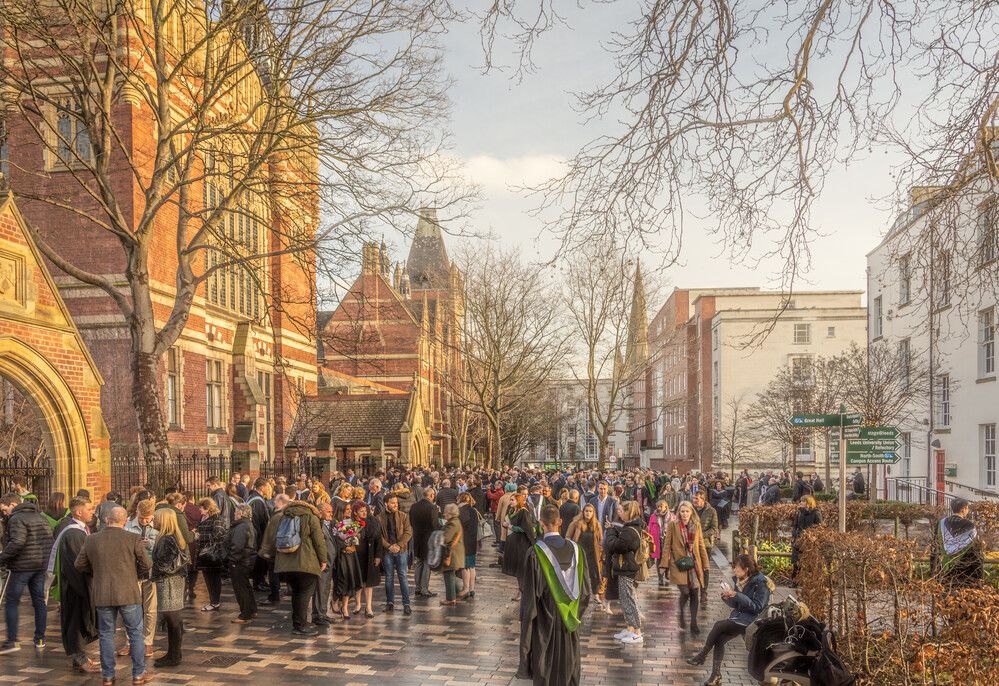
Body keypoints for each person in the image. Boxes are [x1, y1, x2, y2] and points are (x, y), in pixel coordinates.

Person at [74, 506, 153, 686]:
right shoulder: (133, 538)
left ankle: (108, 676)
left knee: (106, 635)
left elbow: (79, 564)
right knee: (135, 634)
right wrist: (134, 573)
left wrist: (97, 571)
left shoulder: (91, 539)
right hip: (128, 592)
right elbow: (147, 564)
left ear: (107, 520)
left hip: (103, 592)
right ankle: (139, 674)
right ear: (125, 521)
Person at [517, 503, 590, 686]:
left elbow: (530, 600)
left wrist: (526, 638)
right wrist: (572, 615)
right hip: (569, 623)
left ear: (541, 523)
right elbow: (586, 592)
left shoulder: (535, 553)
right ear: (560, 522)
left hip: (544, 621)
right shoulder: (577, 551)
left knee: (546, 670)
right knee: (568, 670)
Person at [687, 553, 774, 685]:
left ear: (746, 569)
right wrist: (728, 598)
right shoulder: (741, 580)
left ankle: (703, 655)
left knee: (719, 626)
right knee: (720, 639)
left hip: (753, 620)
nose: (734, 570)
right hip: (740, 617)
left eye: (737, 567)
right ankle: (716, 676)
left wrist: (737, 595)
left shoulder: (761, 583)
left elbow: (758, 607)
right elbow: (737, 604)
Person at [258, 497, 327, 636]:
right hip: (305, 563)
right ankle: (301, 625)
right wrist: (323, 560)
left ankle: (298, 622)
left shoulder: (281, 516)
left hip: (285, 564)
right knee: (305, 593)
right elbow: (319, 541)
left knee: (296, 593)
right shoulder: (310, 517)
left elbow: (271, 538)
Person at [0, 493, 52, 654]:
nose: (4, 513)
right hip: (39, 565)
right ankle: (40, 638)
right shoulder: (40, 516)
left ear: (13, 504)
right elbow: (49, 538)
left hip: (22, 566)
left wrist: (2, 557)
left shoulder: (16, 519)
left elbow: (17, 542)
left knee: (11, 600)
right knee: (39, 601)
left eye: (5, 509)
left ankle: (12, 641)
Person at [51, 497, 99, 672]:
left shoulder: (78, 530)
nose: (92, 511)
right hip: (75, 586)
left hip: (77, 585)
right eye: (89, 508)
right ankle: (79, 657)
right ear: (78, 512)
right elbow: (76, 564)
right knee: (76, 621)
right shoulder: (73, 533)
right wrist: (86, 588)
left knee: (78, 619)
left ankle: (81, 657)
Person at [662, 500, 710, 635]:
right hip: (679, 564)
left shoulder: (696, 525)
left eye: (687, 511)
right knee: (685, 592)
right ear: (679, 513)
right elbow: (667, 545)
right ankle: (681, 613)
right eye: (682, 511)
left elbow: (700, 545)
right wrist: (664, 564)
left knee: (695, 591)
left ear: (691, 512)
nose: (684, 514)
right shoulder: (673, 525)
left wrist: (706, 564)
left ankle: (694, 622)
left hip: (694, 563)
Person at [150, 508, 189, 668]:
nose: (154, 520)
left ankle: (174, 655)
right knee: (174, 619)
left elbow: (164, 565)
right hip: (174, 580)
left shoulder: (166, 539)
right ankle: (174, 653)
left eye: (156, 518)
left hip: (169, 582)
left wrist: (152, 568)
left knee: (172, 619)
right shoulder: (174, 536)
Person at [604, 501, 646, 644]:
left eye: (621, 510)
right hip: (624, 567)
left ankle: (637, 632)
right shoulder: (629, 527)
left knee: (629, 599)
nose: (619, 513)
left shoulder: (630, 530)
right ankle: (630, 629)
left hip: (627, 568)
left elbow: (618, 546)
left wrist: (609, 532)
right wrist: (614, 529)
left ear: (629, 512)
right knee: (625, 599)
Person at [122, 498, 158, 659]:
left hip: (151, 572)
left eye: (148, 518)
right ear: (137, 513)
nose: (145, 521)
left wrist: (150, 544)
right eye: (142, 518)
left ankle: (147, 641)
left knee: (150, 609)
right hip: (133, 572)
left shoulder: (158, 525)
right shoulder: (128, 526)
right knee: (131, 608)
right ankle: (130, 641)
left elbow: (161, 546)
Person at [378, 493, 413, 615]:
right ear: (386, 503)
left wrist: (398, 545)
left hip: (401, 550)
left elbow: (408, 532)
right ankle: (390, 602)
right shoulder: (379, 517)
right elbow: (379, 536)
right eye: (393, 503)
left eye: (396, 503)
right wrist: (389, 546)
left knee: (403, 576)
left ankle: (406, 604)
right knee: (389, 577)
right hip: (387, 551)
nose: (395, 505)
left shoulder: (403, 516)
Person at [502, 489, 539, 599]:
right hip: (514, 543)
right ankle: (521, 590)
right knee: (518, 570)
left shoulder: (523, 512)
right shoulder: (512, 511)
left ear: (518, 501)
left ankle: (524, 592)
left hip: (522, 544)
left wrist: (510, 526)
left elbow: (525, 529)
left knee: (522, 570)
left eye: (512, 500)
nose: (510, 502)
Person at [566, 502, 604, 608]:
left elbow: (600, 539)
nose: (588, 513)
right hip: (580, 553)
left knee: (595, 574)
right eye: (586, 511)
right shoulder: (576, 523)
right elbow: (568, 537)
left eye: (590, 511)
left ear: (593, 513)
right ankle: (578, 595)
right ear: (583, 512)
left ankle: (595, 594)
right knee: (579, 574)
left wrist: (602, 551)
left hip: (593, 554)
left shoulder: (596, 524)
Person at [225, 503, 258, 624]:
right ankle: (251, 609)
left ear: (240, 513)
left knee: (240, 588)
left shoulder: (242, 526)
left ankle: (245, 614)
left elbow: (237, 546)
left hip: (240, 561)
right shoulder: (247, 524)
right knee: (245, 586)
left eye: (235, 512)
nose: (234, 514)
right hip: (245, 560)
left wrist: (232, 559)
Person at [939, 497, 984, 586]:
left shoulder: (941, 523)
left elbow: (935, 545)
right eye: (967, 508)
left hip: (946, 568)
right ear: (963, 509)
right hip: (966, 569)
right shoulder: (969, 525)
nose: (968, 510)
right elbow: (976, 549)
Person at [331, 505, 364, 620]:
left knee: (350, 579)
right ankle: (334, 599)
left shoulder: (351, 522)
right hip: (341, 555)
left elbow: (356, 536)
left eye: (350, 509)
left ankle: (345, 607)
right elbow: (335, 538)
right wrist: (343, 547)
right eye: (347, 509)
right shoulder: (335, 523)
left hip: (351, 555)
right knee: (342, 579)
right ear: (341, 510)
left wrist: (354, 545)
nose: (350, 511)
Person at [196, 497, 227, 612]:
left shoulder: (217, 519)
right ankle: (213, 601)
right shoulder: (204, 518)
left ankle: (215, 602)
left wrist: (199, 536)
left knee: (213, 579)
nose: (199, 510)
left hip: (212, 555)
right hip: (205, 555)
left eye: (201, 508)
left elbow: (218, 534)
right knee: (209, 579)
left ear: (208, 508)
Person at [352, 501, 381, 617]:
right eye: (361, 511)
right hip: (355, 555)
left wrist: (378, 556)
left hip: (369, 554)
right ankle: (357, 604)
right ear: (355, 512)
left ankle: (368, 607)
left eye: (366, 510)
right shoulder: (351, 522)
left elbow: (378, 539)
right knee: (357, 580)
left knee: (369, 582)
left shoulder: (373, 521)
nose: (365, 513)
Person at [409, 486, 440, 598]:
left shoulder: (414, 506)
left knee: (419, 563)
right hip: (429, 539)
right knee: (427, 563)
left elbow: (411, 522)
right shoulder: (433, 508)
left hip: (417, 537)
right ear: (431, 495)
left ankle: (418, 588)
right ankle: (424, 589)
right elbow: (435, 525)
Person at [312, 502, 337, 625]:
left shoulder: (327, 524)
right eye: (328, 511)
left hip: (329, 562)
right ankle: (317, 615)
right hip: (323, 562)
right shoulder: (318, 523)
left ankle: (323, 613)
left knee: (326, 588)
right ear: (320, 511)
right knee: (320, 588)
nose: (331, 514)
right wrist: (323, 560)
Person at [693, 491, 718, 601]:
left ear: (703, 499)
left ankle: (704, 591)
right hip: (691, 544)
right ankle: (693, 590)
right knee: (692, 568)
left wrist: (700, 536)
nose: (694, 501)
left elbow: (713, 528)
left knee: (705, 568)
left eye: (697, 499)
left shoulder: (711, 511)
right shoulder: (691, 510)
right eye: (693, 499)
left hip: (705, 544)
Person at [791, 494, 822, 581]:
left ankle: (809, 582)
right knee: (796, 562)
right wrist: (795, 534)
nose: (801, 503)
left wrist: (810, 534)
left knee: (809, 563)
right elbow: (795, 525)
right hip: (799, 540)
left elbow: (819, 526)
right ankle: (794, 581)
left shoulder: (816, 512)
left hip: (810, 540)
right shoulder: (799, 512)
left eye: (803, 501)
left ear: (808, 503)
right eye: (801, 501)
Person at [439, 503, 465, 606]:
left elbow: (446, 538)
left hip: (451, 553)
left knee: (448, 574)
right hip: (456, 552)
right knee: (451, 574)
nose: (444, 514)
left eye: (445, 512)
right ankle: (458, 593)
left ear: (450, 513)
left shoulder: (452, 523)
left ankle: (450, 599)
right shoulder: (456, 521)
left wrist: (438, 536)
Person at [457, 492, 480, 599]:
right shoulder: (473, 510)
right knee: (471, 566)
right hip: (473, 540)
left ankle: (466, 588)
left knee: (465, 566)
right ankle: (472, 589)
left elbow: (461, 525)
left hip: (464, 541)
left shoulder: (462, 510)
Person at [647, 498, 673, 587]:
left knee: (668, 558)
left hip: (667, 540)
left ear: (666, 506)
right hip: (657, 540)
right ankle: (660, 577)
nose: (659, 508)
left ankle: (667, 573)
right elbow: (649, 528)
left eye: (661, 506)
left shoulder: (672, 517)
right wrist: (649, 539)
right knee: (658, 559)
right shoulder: (653, 516)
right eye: (658, 506)